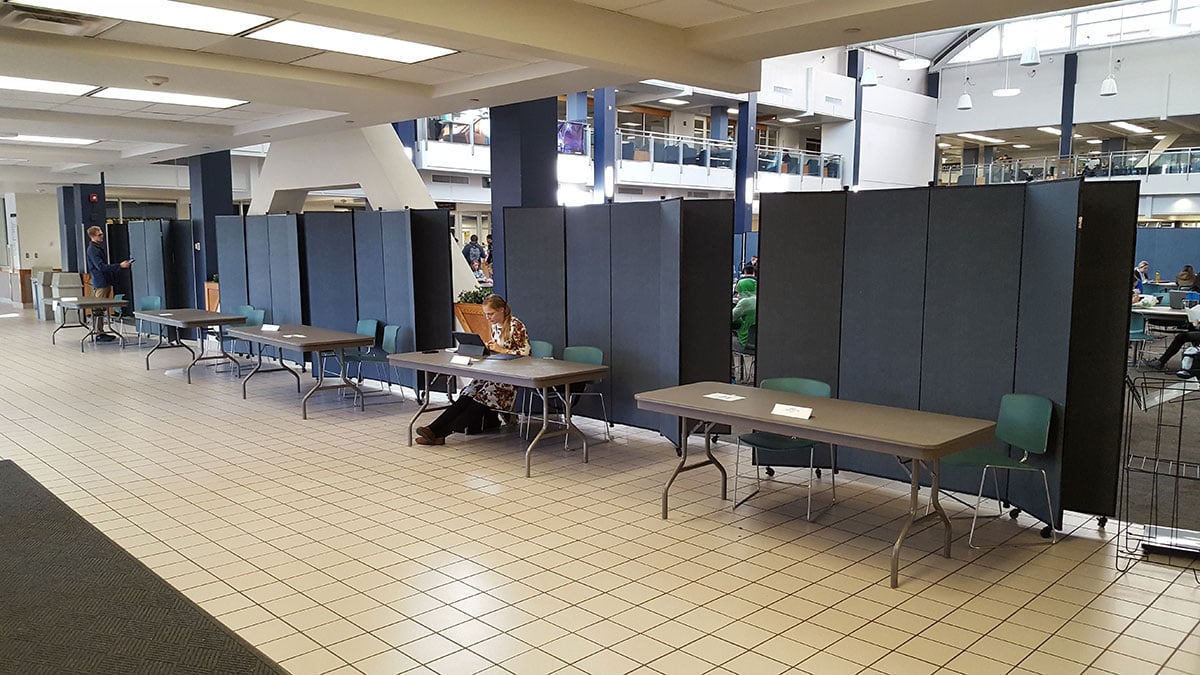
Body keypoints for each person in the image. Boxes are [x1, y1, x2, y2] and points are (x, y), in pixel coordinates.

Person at [416, 295, 530, 444]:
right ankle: (433, 429)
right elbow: (498, 349)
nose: (488, 318)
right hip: (496, 371)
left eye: (491, 314)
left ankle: (440, 434)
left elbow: (525, 353)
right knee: (467, 394)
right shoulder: (495, 327)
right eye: (486, 314)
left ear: (502, 310)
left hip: (511, 378)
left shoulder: (516, 325)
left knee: (480, 399)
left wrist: (500, 349)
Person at [84, 225, 131, 342]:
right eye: (99, 234)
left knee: (101, 308)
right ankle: (99, 332)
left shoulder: (97, 248)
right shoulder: (93, 250)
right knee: (98, 308)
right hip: (100, 282)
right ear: (92, 236)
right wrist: (119, 266)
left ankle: (100, 330)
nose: (102, 236)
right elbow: (100, 266)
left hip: (104, 281)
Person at [731, 278, 757, 384]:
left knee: (729, 340)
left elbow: (730, 317)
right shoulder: (762, 298)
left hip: (746, 342)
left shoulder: (745, 302)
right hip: (761, 342)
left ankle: (735, 374)